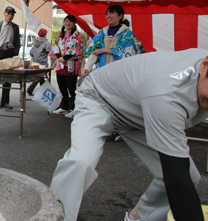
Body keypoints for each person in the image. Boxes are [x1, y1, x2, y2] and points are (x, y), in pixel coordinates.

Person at [50, 49, 208, 221]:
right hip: (99, 98)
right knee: (81, 162)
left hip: (139, 111)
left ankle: (140, 217)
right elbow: (177, 180)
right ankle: (54, 217)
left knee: (190, 176)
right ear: (205, 66)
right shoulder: (168, 94)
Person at [81, 4, 137, 141]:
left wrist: (105, 50)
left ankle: (120, 130)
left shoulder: (127, 33)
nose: (109, 16)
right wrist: (87, 67)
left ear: (120, 16)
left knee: (119, 101)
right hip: (102, 72)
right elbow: (94, 50)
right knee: (103, 100)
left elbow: (128, 52)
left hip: (119, 73)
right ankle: (107, 128)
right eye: (107, 13)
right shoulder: (102, 33)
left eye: (112, 13)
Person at [49, 15, 85, 117]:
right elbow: (55, 46)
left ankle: (75, 108)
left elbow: (77, 48)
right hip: (61, 65)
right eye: (65, 21)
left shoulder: (78, 35)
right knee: (62, 86)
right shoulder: (60, 35)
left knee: (72, 88)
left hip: (71, 65)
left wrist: (65, 57)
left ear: (74, 23)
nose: (67, 23)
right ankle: (64, 107)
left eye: (70, 21)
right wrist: (60, 56)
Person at [0, 6, 21, 109]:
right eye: (8, 13)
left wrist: (14, 53)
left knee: (7, 78)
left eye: (12, 14)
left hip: (9, 53)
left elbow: (17, 43)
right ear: (4, 13)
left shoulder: (15, 27)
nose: (10, 16)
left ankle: (5, 102)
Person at [26, 28, 51, 96]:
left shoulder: (35, 42)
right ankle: (34, 90)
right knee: (40, 76)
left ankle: (42, 92)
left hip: (35, 62)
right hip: (43, 63)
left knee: (40, 77)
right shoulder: (46, 43)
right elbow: (49, 51)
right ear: (45, 34)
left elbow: (31, 52)